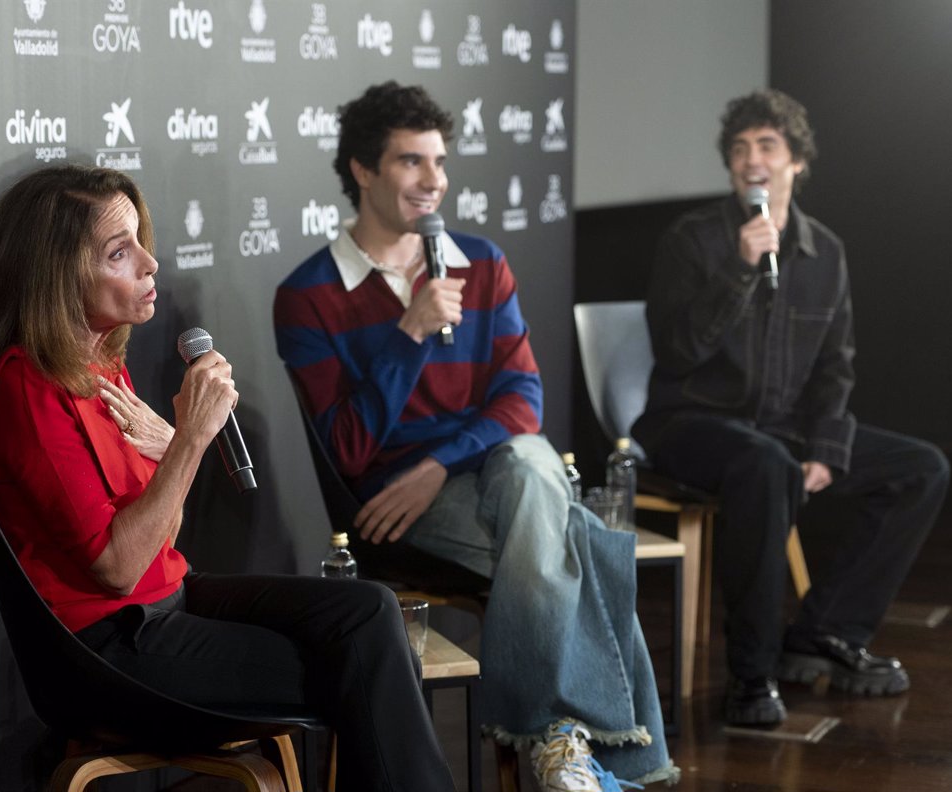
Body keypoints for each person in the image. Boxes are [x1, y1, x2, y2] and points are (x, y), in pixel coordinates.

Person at [0, 163, 456, 791]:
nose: (150, 264)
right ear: (58, 275)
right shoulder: (27, 390)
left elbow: (164, 536)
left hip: (165, 602)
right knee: (367, 663)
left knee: (367, 615)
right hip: (105, 652)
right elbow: (117, 567)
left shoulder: (101, 367)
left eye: (141, 241)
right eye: (118, 252)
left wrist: (168, 456)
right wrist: (189, 440)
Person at [274, 81, 677, 790]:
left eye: (440, 162)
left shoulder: (481, 263)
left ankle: (553, 741)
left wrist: (438, 462)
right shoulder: (309, 294)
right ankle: (580, 757)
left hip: (486, 475)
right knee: (573, 536)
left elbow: (523, 399)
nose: (435, 182)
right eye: (411, 163)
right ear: (363, 171)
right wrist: (409, 336)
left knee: (528, 462)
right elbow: (346, 448)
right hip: (393, 505)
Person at [633, 89, 950, 727]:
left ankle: (825, 631)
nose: (752, 159)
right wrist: (742, 270)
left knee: (922, 469)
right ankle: (751, 677)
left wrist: (828, 449)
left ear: (797, 161)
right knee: (763, 463)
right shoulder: (692, 240)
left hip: (780, 431)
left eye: (767, 146)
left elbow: (836, 366)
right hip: (689, 422)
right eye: (740, 148)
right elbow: (675, 352)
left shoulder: (824, 252)